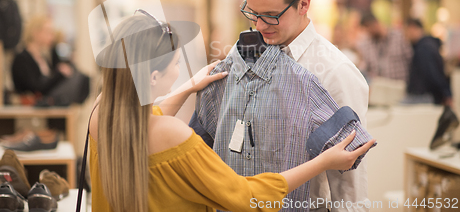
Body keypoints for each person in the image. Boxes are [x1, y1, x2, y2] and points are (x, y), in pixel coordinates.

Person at [88, 13, 375, 212]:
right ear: (152, 77)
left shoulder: (102, 114)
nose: (179, 71)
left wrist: (189, 87)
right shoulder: (172, 134)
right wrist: (322, 162)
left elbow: (146, 118)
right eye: (176, 64)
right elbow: (243, 196)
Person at [192, 0, 372, 212]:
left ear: (304, 4)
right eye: (252, 13)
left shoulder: (334, 72)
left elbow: (349, 188)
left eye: (272, 16)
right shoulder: (239, 54)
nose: (260, 26)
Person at [11, 16, 89, 106]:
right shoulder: (22, 59)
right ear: (35, 32)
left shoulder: (42, 57)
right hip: (34, 103)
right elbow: (36, 88)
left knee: (81, 77)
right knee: (80, 79)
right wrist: (59, 74)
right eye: (48, 31)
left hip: (45, 101)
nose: (52, 36)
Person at [403, 18, 452, 106]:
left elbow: (433, 73)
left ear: (412, 28)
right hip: (427, 95)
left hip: (424, 96)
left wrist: (446, 94)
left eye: (406, 31)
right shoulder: (427, 45)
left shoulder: (424, 48)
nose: (406, 36)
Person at [358, 12, 412, 82]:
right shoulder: (366, 45)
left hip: (400, 86)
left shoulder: (399, 38)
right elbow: (366, 69)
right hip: (380, 88)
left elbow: (410, 60)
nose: (368, 31)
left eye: (369, 27)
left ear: (376, 23)